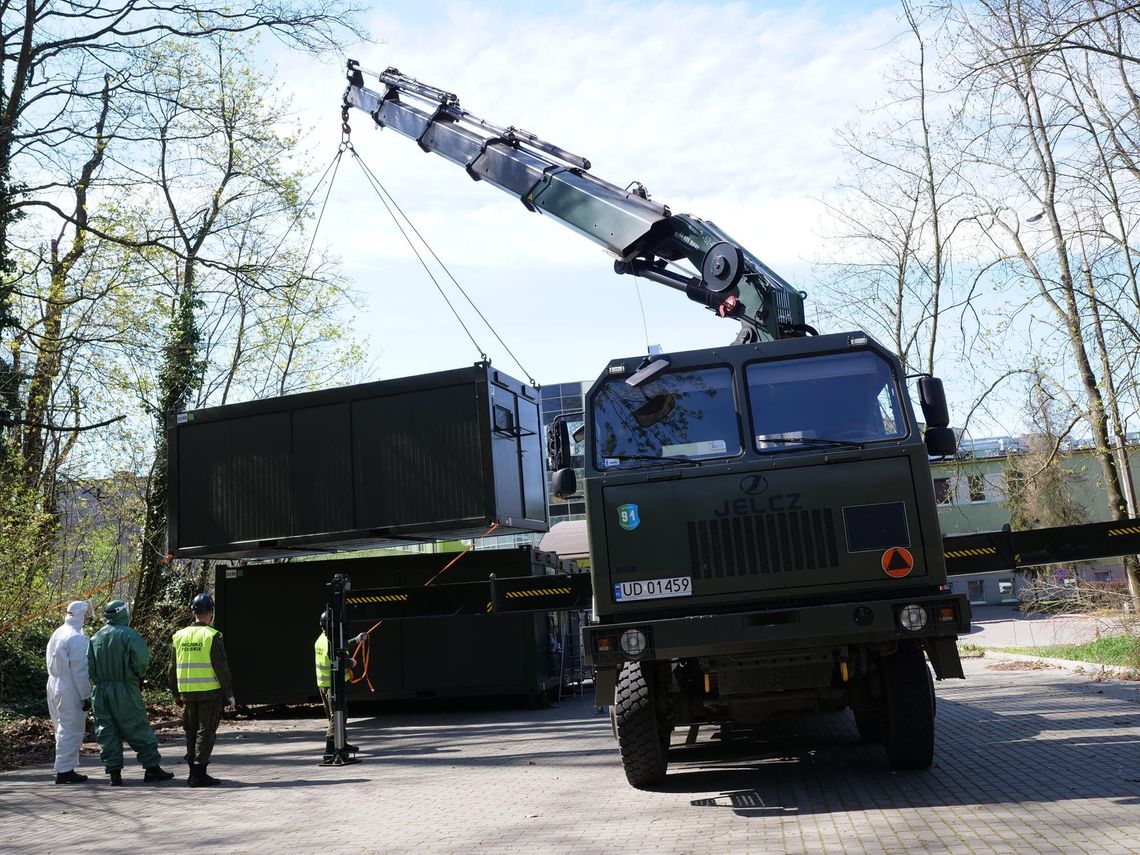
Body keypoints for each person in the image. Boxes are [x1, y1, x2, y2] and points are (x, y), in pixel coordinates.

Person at [87, 600, 174, 786]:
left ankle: (114, 773)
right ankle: (152, 768)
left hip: (100, 691)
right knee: (136, 725)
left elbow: (90, 667)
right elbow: (141, 661)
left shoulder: (95, 638)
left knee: (106, 729)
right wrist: (138, 676)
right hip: (125, 688)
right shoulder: (129, 635)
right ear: (122, 613)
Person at [169, 592, 235, 787]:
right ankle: (199, 773)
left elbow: (171, 668)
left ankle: (192, 772)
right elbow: (221, 668)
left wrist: (175, 693)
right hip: (210, 692)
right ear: (211, 613)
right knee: (206, 732)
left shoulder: (179, 636)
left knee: (191, 731)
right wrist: (229, 693)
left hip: (187, 693)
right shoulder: (213, 636)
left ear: (193, 612)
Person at [46, 600, 92, 784]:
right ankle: (65, 770)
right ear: (81, 614)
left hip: (53, 682)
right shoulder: (77, 638)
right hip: (69, 686)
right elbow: (80, 670)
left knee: (60, 726)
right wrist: (86, 695)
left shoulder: (58, 632)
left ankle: (66, 767)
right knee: (71, 728)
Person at [315, 613, 362, 762]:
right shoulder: (328, 642)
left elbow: (341, 644)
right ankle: (329, 751)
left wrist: (357, 639)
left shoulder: (323, 639)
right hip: (332, 685)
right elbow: (335, 659)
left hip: (326, 685)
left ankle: (342, 744)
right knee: (337, 717)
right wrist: (350, 663)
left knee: (339, 716)